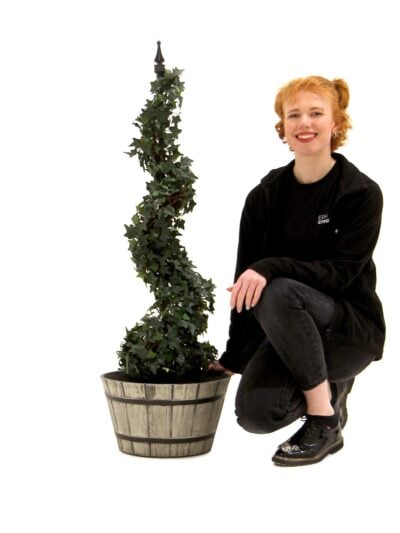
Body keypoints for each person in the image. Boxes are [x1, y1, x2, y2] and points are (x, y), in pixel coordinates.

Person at [209, 75, 385, 466]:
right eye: (294, 115)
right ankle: (328, 392)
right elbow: (245, 282)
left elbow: (341, 274)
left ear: (336, 124)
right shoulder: (264, 196)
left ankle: (324, 419)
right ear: (283, 128)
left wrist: (270, 267)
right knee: (256, 415)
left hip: (346, 333)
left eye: (316, 113)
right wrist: (234, 356)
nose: (305, 123)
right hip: (289, 331)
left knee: (277, 289)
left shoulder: (359, 193)